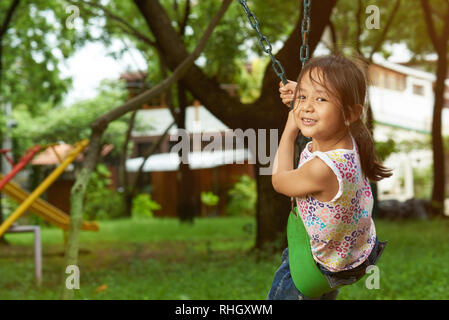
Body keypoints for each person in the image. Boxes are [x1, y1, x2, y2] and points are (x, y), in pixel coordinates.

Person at [267, 54, 391, 300]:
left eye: (320, 98)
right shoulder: (351, 139)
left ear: (349, 113)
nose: (306, 106)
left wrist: (290, 131)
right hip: (346, 259)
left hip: (313, 267)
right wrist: (305, 94)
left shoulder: (322, 169)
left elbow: (279, 181)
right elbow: (321, 108)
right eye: (303, 97)